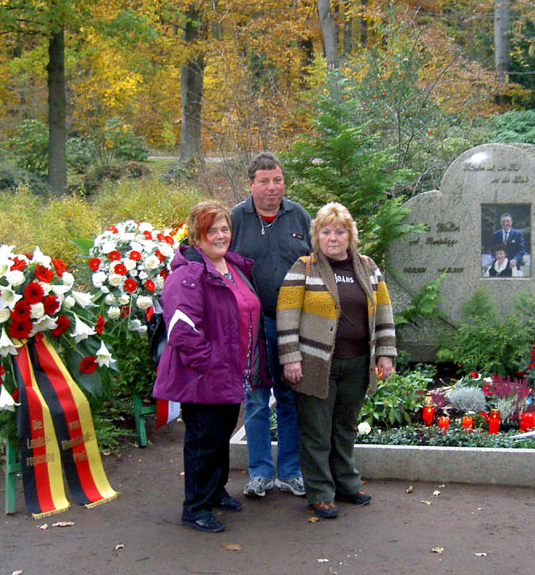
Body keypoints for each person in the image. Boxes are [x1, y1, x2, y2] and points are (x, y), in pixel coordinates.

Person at [153, 201, 269, 533]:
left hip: (231, 374)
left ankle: (215, 493)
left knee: (220, 437)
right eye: (212, 230)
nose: (220, 236)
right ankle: (196, 508)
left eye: (224, 228)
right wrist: (209, 364)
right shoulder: (189, 274)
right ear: (196, 234)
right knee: (203, 441)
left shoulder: (232, 266)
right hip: (203, 377)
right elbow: (181, 329)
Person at [277, 202, 396, 519]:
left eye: (340, 231)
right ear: (316, 235)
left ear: (350, 235)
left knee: (345, 428)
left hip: (357, 363)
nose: (333, 237)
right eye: (326, 231)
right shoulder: (304, 267)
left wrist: (385, 352)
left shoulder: (368, 267)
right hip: (315, 364)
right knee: (316, 430)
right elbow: (286, 316)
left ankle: (346, 483)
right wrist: (290, 358)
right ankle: (319, 492)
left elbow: (383, 311)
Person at [230, 151, 312, 499]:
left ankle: (291, 471)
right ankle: (260, 471)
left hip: (294, 325)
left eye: (277, 180)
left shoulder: (299, 216)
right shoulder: (236, 218)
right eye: (264, 181)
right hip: (252, 324)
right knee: (257, 400)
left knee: (292, 398)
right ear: (251, 184)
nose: (271, 188)